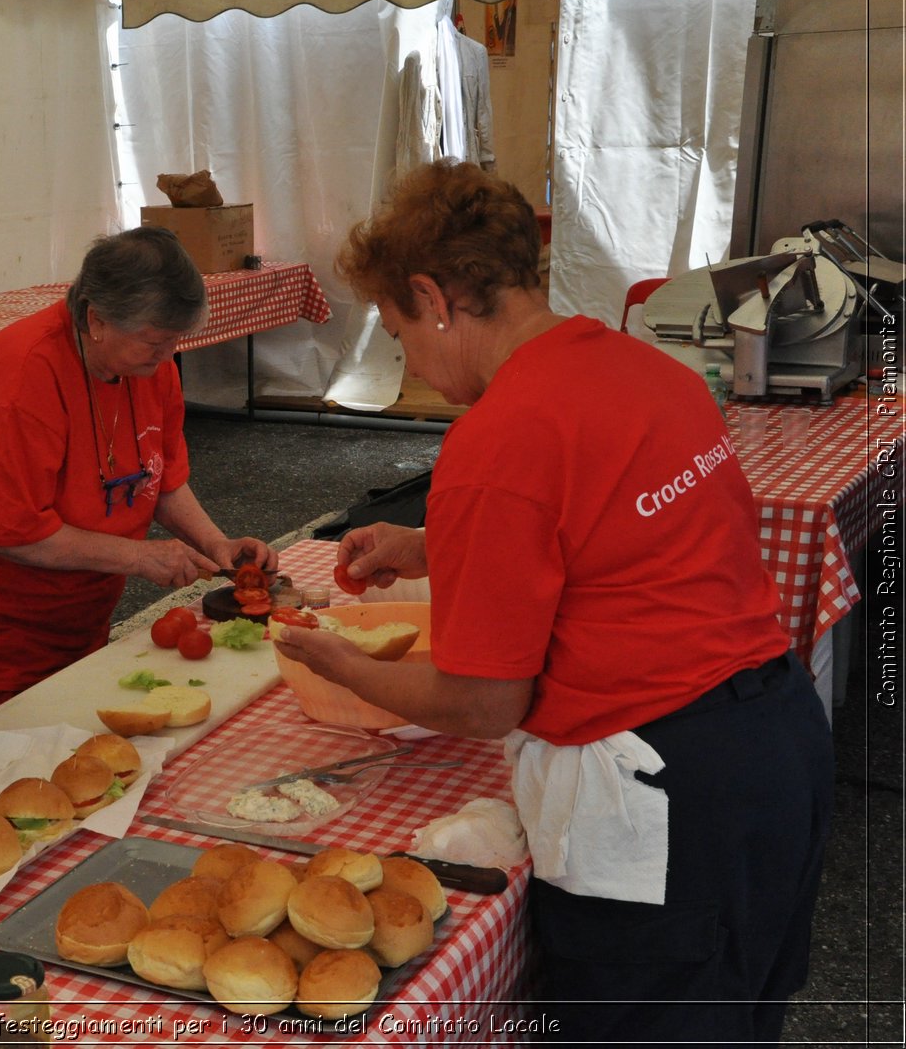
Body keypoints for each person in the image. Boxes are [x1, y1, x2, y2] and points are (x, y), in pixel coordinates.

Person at [275, 160, 832, 1045]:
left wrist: (343, 663)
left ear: (434, 295)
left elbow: (484, 701)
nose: (407, 360)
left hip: (666, 796)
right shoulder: (650, 371)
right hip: (778, 750)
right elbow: (616, 541)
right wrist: (433, 547)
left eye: (398, 331)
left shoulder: (496, 439)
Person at [0, 227, 279, 723]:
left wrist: (215, 545)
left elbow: (161, 479)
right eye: (156, 342)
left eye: (176, 341)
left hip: (81, 625)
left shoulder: (147, 365)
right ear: (96, 320)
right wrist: (138, 557)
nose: (167, 357)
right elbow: (13, 535)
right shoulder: (25, 374)